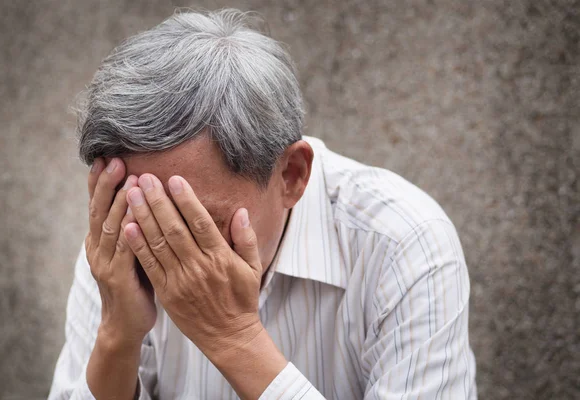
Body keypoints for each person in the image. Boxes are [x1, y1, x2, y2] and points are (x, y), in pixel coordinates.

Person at [48, 8, 476, 400]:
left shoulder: (403, 243)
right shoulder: (123, 242)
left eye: (195, 223)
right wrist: (117, 335)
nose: (164, 245)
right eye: (142, 211)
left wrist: (234, 337)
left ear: (291, 175)